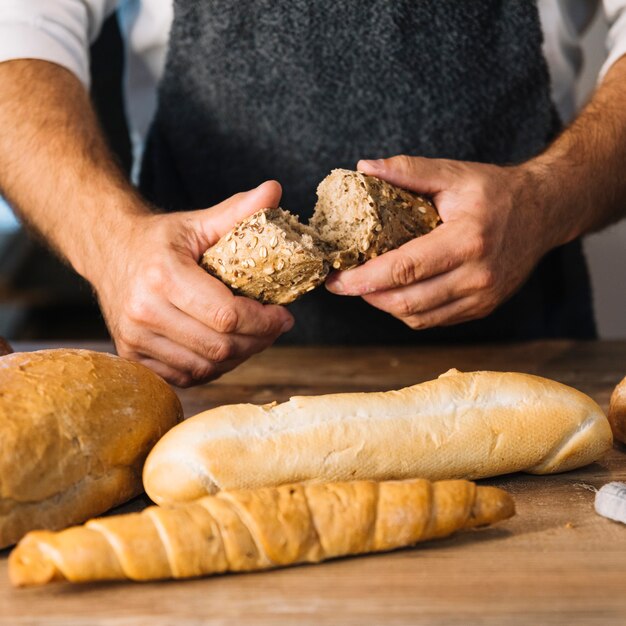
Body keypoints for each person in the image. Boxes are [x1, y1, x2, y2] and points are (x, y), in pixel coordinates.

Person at [0, 1, 625, 387]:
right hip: (203, 370)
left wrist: (543, 199)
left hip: (523, 358)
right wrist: (112, 245)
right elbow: (19, 27)